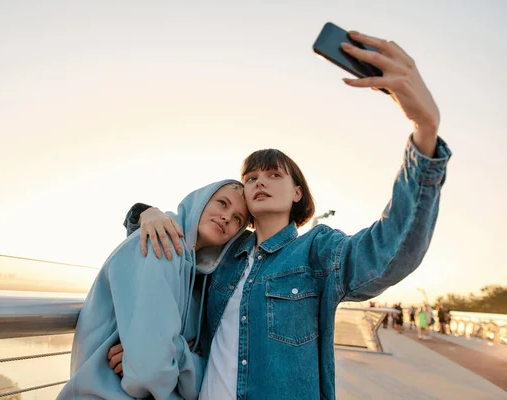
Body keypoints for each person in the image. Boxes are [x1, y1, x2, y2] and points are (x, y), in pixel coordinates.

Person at [111, 31, 451, 400]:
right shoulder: (223, 256)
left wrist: (425, 133)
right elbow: (171, 276)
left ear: (297, 192)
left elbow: (390, 251)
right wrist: (146, 214)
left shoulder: (317, 252)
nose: (260, 183)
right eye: (251, 177)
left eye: (275, 175)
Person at [57, 180, 249, 400]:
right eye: (222, 203)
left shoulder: (198, 278)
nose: (227, 217)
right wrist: (163, 359)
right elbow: (149, 372)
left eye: (238, 219)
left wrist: (173, 354)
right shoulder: (160, 244)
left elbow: (164, 362)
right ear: (200, 202)